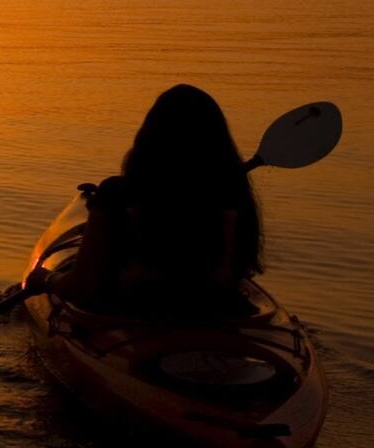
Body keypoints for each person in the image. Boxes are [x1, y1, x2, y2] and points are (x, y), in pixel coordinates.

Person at [54, 84, 265, 315]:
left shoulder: (118, 193)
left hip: (134, 316)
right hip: (223, 315)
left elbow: (82, 287)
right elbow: (240, 271)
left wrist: (48, 281)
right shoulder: (232, 192)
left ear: (149, 138)